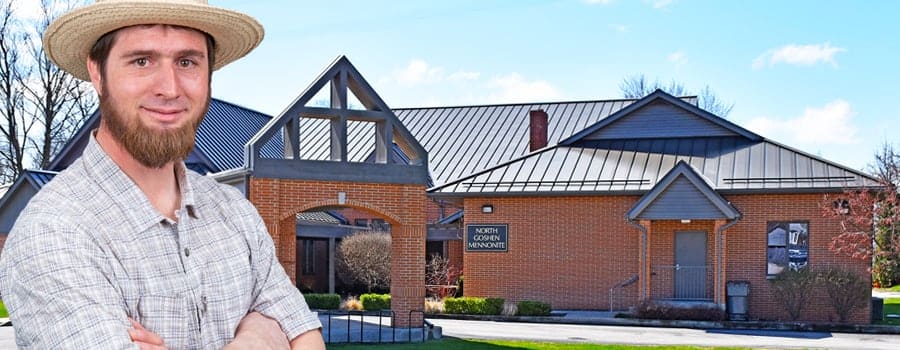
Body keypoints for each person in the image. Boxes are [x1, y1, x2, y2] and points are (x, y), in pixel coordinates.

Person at [0, 0, 325, 348]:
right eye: (142, 61)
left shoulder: (234, 211)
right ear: (97, 72)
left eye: (187, 62)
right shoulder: (53, 232)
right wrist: (259, 338)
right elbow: (288, 333)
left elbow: (306, 338)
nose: (169, 88)